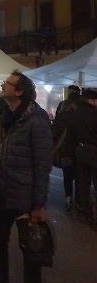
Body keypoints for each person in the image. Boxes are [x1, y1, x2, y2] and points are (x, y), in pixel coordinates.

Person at [0, 71, 52, 283]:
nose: (2, 85)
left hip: (25, 196)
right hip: (2, 192)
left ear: (18, 92)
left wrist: (39, 203)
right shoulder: (3, 116)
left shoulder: (36, 120)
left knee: (31, 250)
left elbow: (42, 164)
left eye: (7, 83)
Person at [64, 87, 97, 223]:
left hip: (80, 151)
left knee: (82, 182)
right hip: (95, 151)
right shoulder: (95, 114)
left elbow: (70, 135)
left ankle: (85, 211)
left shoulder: (75, 114)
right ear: (93, 100)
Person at [52, 86, 83, 213]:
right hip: (78, 151)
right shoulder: (80, 117)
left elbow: (53, 133)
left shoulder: (60, 118)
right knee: (80, 176)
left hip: (65, 152)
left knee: (67, 177)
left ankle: (68, 199)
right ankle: (80, 201)